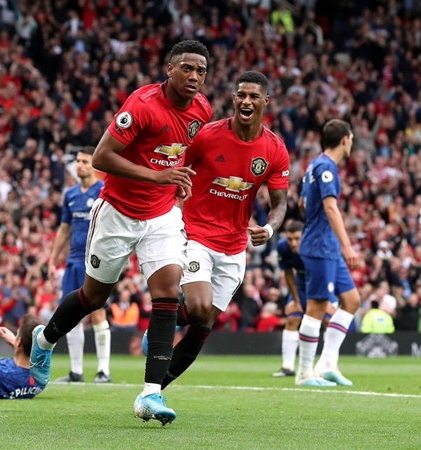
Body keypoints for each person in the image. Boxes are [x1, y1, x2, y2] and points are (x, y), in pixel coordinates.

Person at [30, 39, 213, 425]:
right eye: (187, 68)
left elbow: (183, 152)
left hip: (162, 215)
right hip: (117, 212)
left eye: (201, 71)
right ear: (170, 69)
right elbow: (101, 158)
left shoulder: (202, 109)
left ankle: (150, 394)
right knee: (94, 297)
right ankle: (44, 341)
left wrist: (181, 180)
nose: (195, 76)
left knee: (167, 292)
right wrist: (157, 176)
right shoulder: (142, 105)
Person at [149, 70, 290, 391]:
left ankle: (155, 391)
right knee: (199, 307)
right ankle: (160, 328)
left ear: (266, 101)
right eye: (241, 95)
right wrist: (172, 208)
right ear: (234, 98)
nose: (246, 101)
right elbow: (176, 169)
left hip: (235, 246)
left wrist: (269, 229)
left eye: (254, 96)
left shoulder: (275, 148)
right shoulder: (207, 135)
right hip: (195, 235)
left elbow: (280, 203)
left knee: (203, 325)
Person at [296, 119, 361, 387]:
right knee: (317, 307)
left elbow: (302, 202)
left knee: (352, 300)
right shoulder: (326, 168)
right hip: (320, 246)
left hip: (327, 246)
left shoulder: (314, 164)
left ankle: (327, 364)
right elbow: (330, 207)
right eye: (351, 139)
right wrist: (347, 245)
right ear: (345, 140)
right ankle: (304, 373)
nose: (351, 143)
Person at [48, 147, 112, 384]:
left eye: (85, 161)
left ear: (94, 165)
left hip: (96, 260)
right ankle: (76, 372)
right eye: (78, 161)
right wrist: (53, 259)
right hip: (74, 260)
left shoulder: (103, 190)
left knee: (97, 312)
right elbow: (64, 228)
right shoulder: (70, 194)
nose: (79, 165)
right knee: (71, 314)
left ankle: (103, 371)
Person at [272, 220, 338, 377]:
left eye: (297, 239)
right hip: (302, 285)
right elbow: (288, 273)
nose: (293, 243)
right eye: (290, 239)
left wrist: (329, 299)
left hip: (324, 283)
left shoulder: (318, 245)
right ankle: (287, 367)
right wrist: (295, 301)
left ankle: (329, 365)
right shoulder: (283, 247)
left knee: (328, 320)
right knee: (292, 318)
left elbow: (331, 270)